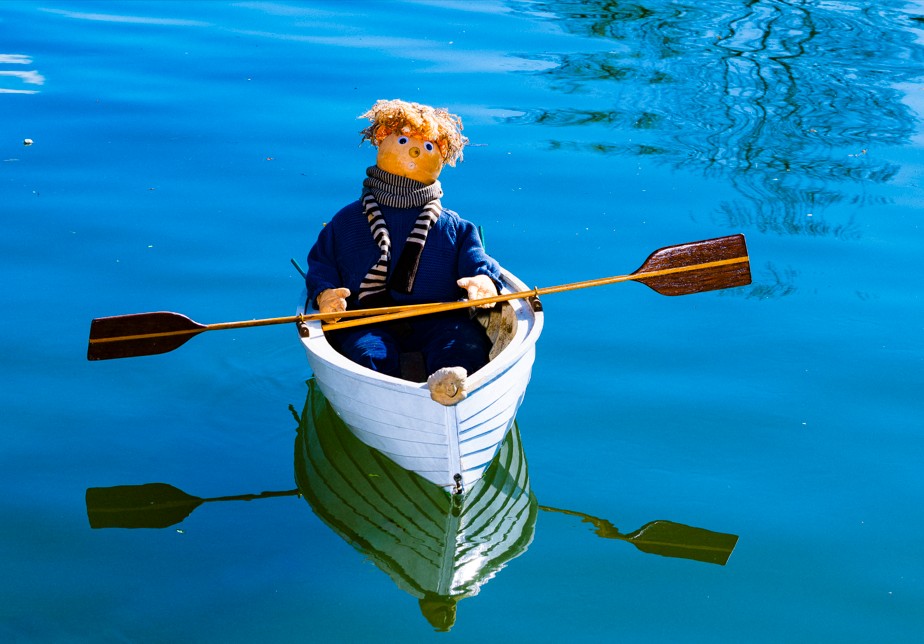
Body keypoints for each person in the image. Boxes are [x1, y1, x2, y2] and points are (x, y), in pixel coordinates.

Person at [305, 99, 501, 405]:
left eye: (427, 147)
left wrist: (482, 281)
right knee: (366, 353)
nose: (413, 151)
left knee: (463, 346)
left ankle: (450, 388)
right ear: (382, 138)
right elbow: (322, 263)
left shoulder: (453, 226)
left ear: (443, 155)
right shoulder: (347, 221)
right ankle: (387, 402)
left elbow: (476, 259)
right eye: (403, 140)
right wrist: (325, 294)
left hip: (439, 316)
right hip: (368, 317)